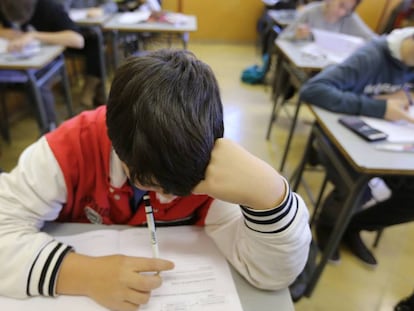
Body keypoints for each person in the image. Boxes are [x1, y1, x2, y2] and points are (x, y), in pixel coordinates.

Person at [0, 49, 311, 310]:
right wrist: (80, 274)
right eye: (151, 183)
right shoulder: (70, 147)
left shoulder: (209, 164)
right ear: (115, 143)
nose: (168, 197)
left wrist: (271, 197)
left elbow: (270, 276)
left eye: (179, 187)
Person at [300, 27, 414, 266]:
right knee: (361, 188)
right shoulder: (371, 57)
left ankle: (352, 225)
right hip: (337, 137)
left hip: (384, 142)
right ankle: (328, 226)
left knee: (409, 194)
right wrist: (380, 108)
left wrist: (404, 99)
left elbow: (403, 94)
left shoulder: (408, 63)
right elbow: (312, 90)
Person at [0, 0, 84, 132]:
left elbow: (78, 40)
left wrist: (34, 36)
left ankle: (49, 130)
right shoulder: (5, 5)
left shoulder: (48, 6)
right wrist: (11, 33)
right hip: (15, 61)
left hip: (48, 60)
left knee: (37, 82)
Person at [59, 0, 118, 107]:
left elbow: (112, 5)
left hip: (91, 34)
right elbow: (60, 9)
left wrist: (102, 9)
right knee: (98, 46)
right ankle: (95, 91)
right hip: (69, 35)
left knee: (97, 43)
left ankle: (93, 90)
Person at [279, 0, 375, 41]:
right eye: (341, 5)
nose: (342, 12)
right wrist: (296, 35)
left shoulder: (349, 17)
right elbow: (282, 38)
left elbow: (372, 39)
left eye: (348, 10)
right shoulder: (311, 12)